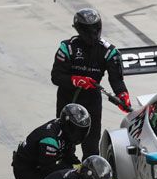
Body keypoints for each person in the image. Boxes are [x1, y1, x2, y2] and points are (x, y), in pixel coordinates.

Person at [51, 8, 131, 159]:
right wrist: (76, 80)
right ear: (80, 30)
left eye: (96, 29)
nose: (93, 33)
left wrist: (122, 95)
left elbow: (116, 79)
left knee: (92, 145)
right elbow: (56, 77)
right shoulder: (67, 48)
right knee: (64, 143)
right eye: (89, 30)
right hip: (67, 101)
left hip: (92, 101)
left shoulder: (109, 51)